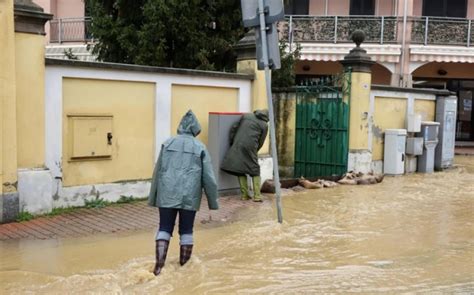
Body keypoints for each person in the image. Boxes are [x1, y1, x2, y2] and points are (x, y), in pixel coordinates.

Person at [148, 110, 218, 276]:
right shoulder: (200, 147)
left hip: (167, 194)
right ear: (195, 129)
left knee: (164, 227)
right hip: (190, 195)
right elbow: (209, 178)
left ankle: (158, 267)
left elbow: (157, 172)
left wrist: (153, 197)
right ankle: (184, 269)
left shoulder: (167, 143)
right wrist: (213, 202)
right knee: (186, 230)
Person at [221, 109, 269, 202]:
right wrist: (255, 150)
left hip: (238, 143)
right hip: (250, 147)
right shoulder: (264, 125)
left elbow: (235, 127)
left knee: (240, 169)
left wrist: (233, 141)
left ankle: (244, 195)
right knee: (255, 170)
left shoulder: (246, 116)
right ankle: (257, 196)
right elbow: (261, 141)